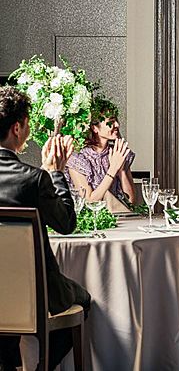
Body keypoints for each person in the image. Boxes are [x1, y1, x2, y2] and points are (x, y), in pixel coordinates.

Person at [0, 86, 91, 371]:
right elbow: (66, 224)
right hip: (34, 295)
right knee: (84, 299)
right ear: (17, 128)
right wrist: (56, 172)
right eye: (27, 124)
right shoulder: (33, 179)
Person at [66, 96, 135, 206]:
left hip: (119, 214)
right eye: (111, 121)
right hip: (90, 216)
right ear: (95, 128)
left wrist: (121, 171)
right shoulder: (77, 158)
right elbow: (89, 201)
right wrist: (113, 169)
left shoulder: (118, 153)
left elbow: (131, 202)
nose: (117, 125)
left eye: (116, 120)